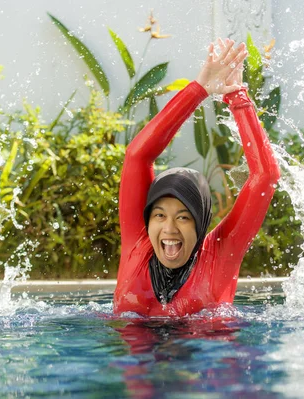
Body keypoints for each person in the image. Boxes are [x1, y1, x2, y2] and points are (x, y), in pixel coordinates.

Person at [113, 38, 280, 317]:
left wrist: (237, 96)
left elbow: (265, 177)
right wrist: (199, 89)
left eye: (183, 217)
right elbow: (136, 157)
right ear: (148, 219)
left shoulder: (220, 253)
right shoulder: (138, 244)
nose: (168, 229)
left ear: (200, 221)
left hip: (205, 358)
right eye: (159, 215)